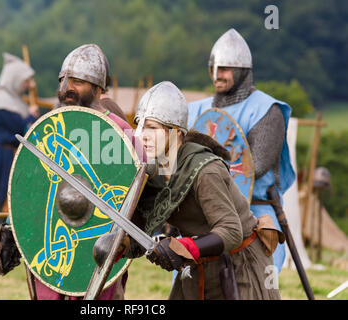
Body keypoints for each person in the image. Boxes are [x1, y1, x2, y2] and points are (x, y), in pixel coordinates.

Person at [0, 44, 140, 300]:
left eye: (78, 81)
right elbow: (28, 188)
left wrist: (131, 241)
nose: (66, 88)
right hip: (54, 245)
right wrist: (9, 229)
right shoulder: (50, 129)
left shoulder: (122, 134)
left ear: (98, 88)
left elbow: (142, 197)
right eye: (63, 80)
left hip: (100, 245)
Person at [117, 81, 281, 300]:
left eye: (152, 128)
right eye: (140, 125)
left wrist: (181, 246)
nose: (142, 135)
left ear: (175, 132)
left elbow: (231, 231)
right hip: (197, 265)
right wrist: (122, 242)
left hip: (239, 266)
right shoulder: (152, 171)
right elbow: (141, 231)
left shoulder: (206, 171)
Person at [187, 29, 295, 273]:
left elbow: (253, 167)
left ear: (243, 71)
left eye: (225, 69)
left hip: (254, 213)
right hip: (201, 215)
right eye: (214, 68)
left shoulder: (266, 110)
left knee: (254, 284)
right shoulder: (194, 111)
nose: (218, 75)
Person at [0, 53, 39, 223]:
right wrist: (30, 117)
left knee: (14, 201)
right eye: (23, 81)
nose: (25, 86)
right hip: (7, 156)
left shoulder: (13, 101)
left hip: (13, 154)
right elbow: (19, 130)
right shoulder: (3, 103)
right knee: (5, 202)